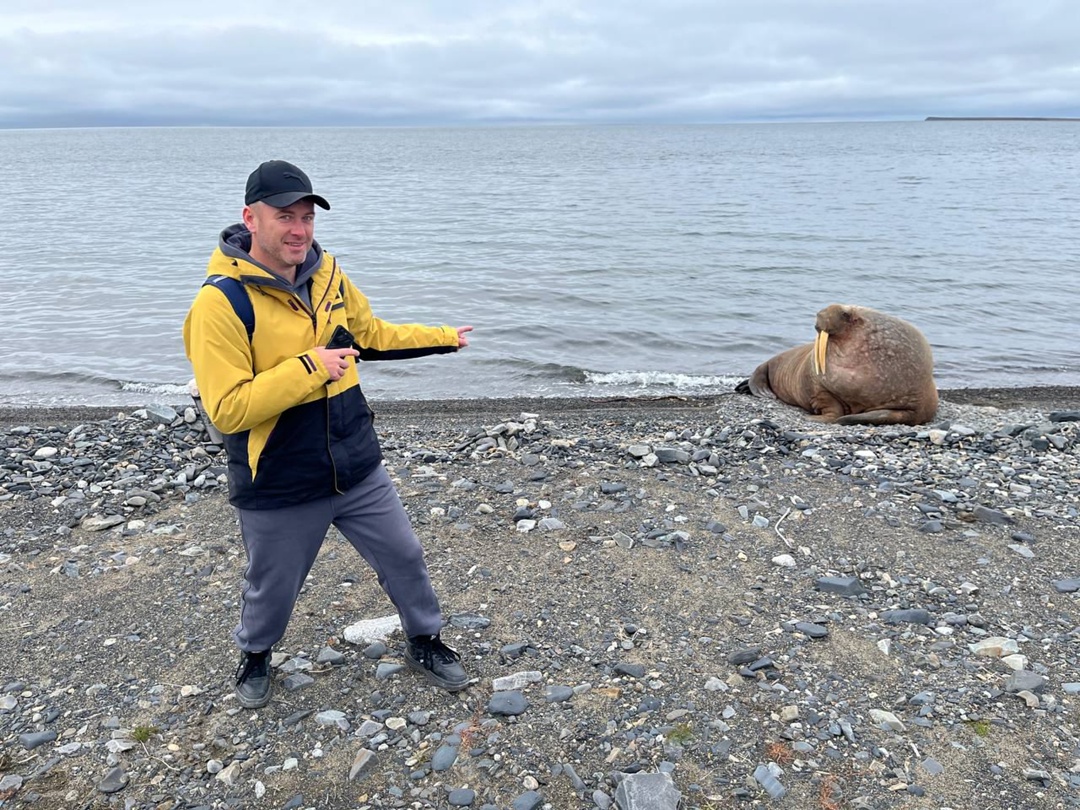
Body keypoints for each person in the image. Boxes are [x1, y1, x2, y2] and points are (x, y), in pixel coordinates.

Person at [183, 159, 474, 709]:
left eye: (307, 217)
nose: (299, 229)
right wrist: (310, 367)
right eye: (284, 216)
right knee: (272, 587)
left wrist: (443, 337)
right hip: (279, 479)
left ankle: (426, 639)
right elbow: (226, 410)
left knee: (406, 557)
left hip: (355, 464)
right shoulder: (220, 303)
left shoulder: (328, 275)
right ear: (251, 217)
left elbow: (371, 335)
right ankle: (256, 655)